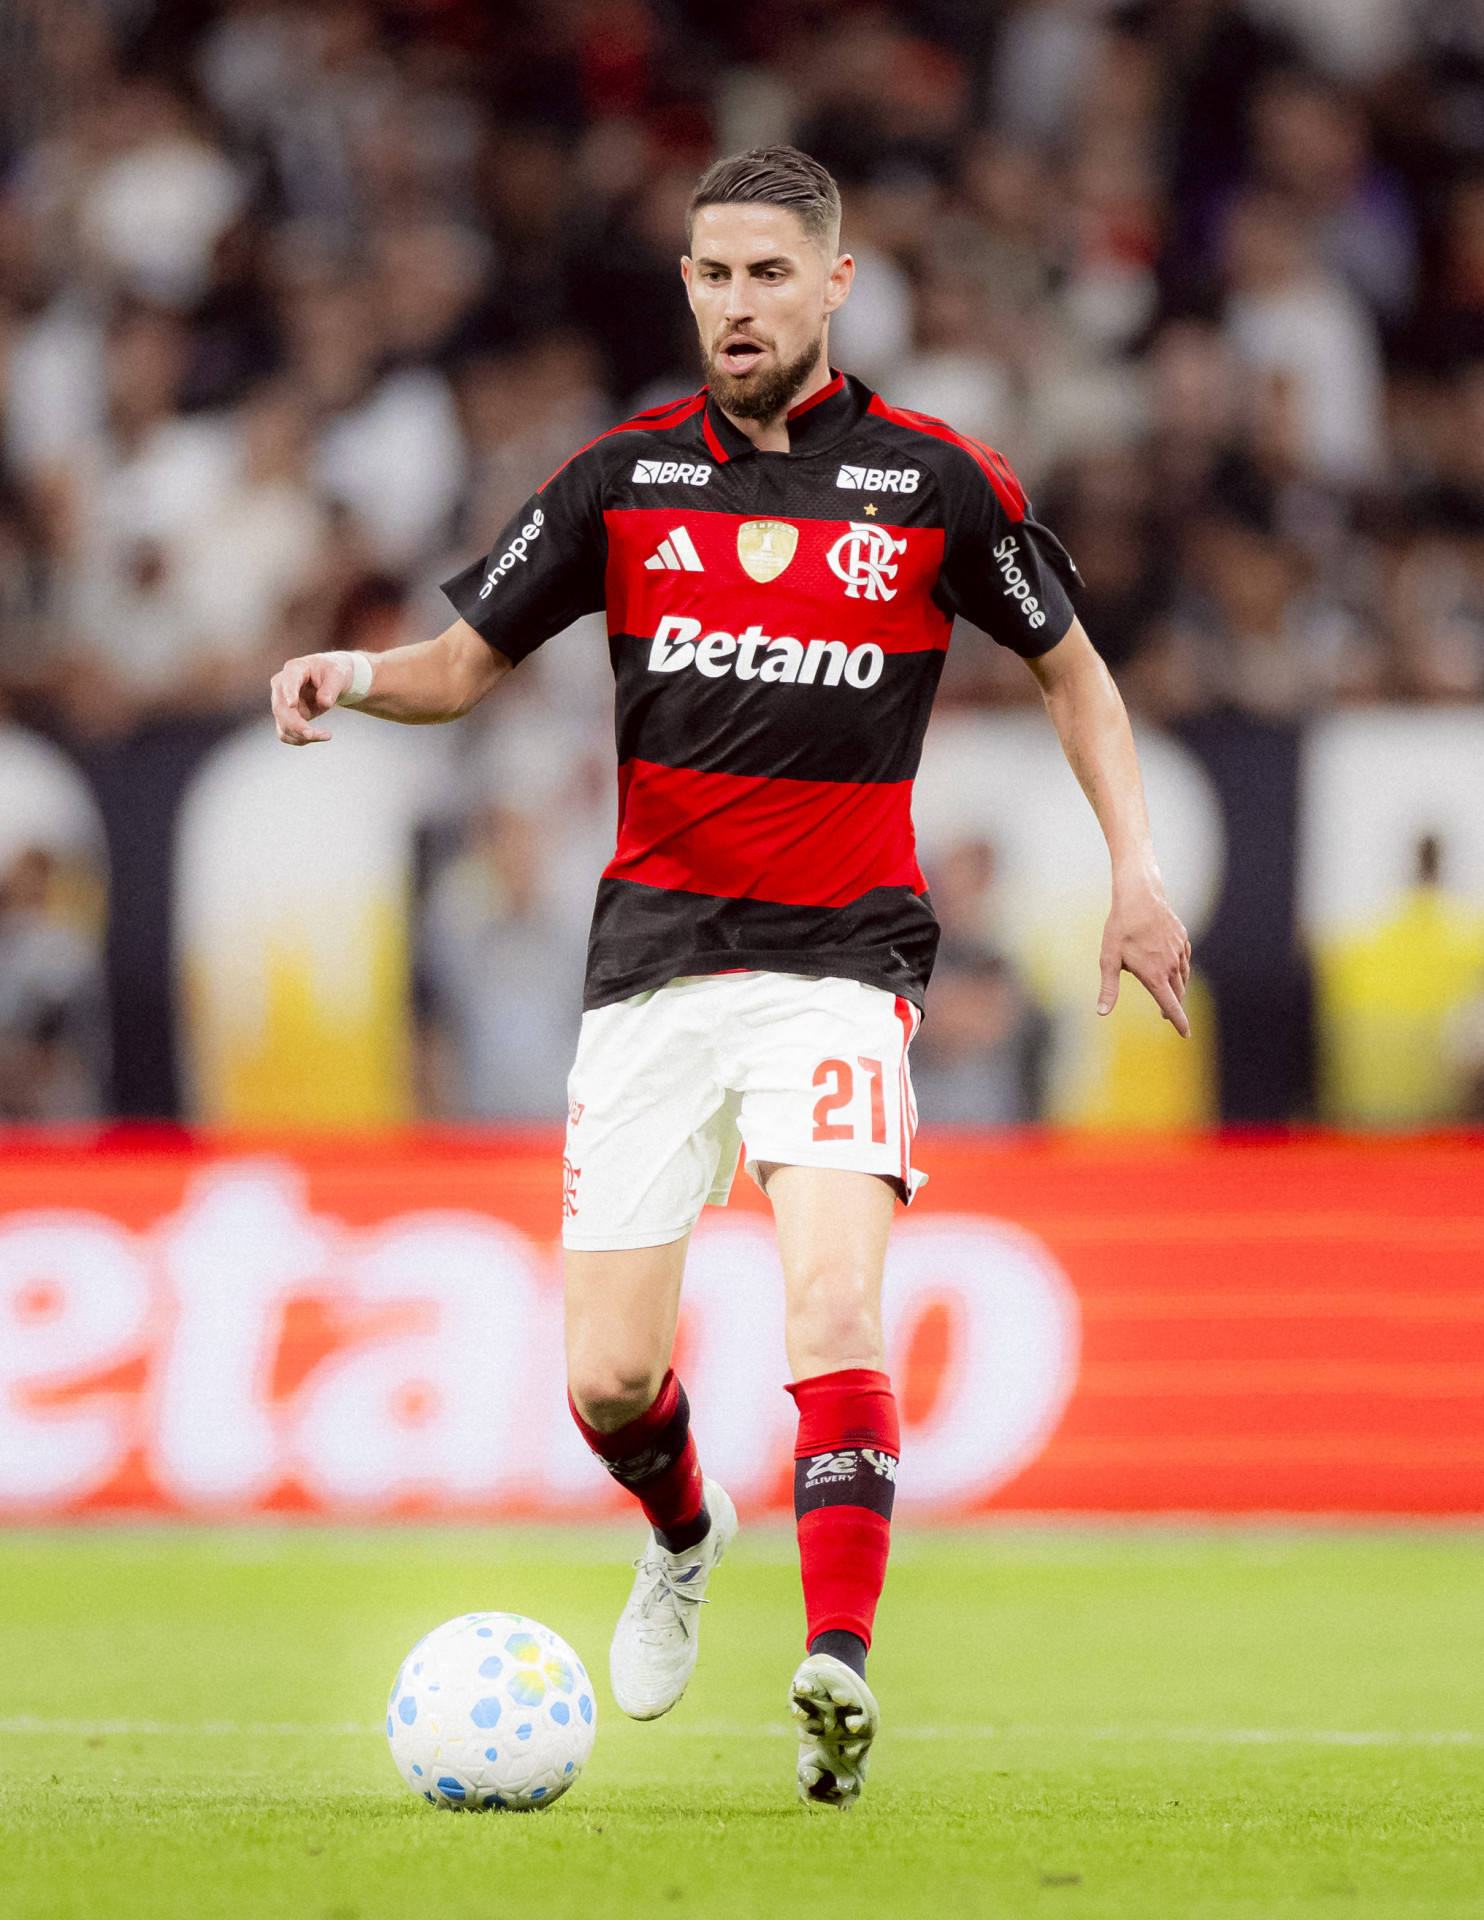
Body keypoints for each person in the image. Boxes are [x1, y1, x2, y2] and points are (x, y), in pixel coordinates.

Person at [270, 146, 1191, 1808]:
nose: (740, 304)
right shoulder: (622, 481)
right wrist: (354, 673)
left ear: (836, 287)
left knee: (834, 1299)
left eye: (772, 274)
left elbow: (1080, 679)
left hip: (839, 966)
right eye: (714, 275)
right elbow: (464, 665)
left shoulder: (934, 485)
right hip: (650, 970)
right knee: (607, 1380)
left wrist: (1134, 872)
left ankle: (836, 1660)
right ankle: (686, 1535)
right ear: (687, 288)